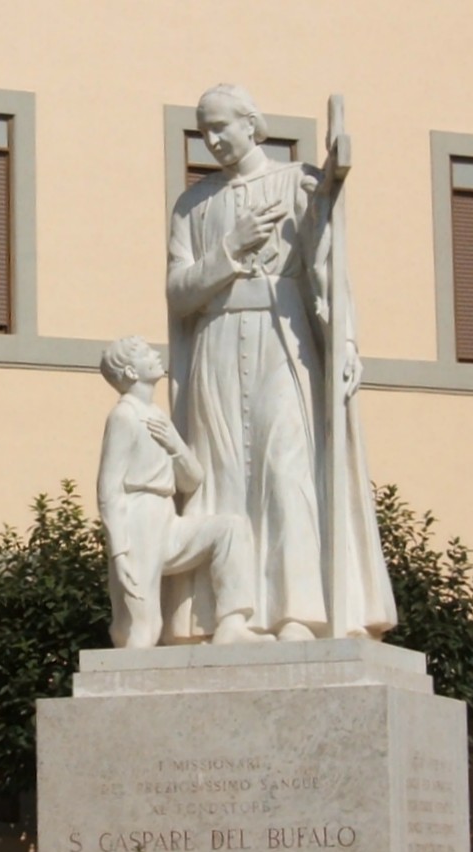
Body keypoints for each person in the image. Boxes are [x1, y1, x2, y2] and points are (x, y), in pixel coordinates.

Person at [163, 83, 396, 642]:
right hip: (216, 347)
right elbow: (178, 292)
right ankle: (229, 616)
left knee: (286, 471)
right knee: (222, 483)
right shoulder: (193, 205)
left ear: (252, 123)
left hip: (283, 337)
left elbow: (327, 268)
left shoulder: (298, 183)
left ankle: (298, 613)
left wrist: (345, 344)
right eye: (204, 130)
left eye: (222, 126)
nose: (213, 139)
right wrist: (231, 249)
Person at [97, 335, 265, 649]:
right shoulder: (124, 416)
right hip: (138, 518)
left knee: (229, 529)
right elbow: (108, 490)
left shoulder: (157, 416)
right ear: (132, 372)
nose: (156, 355)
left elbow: (192, 479)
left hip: (165, 515)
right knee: (142, 629)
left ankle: (232, 623)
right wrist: (119, 550)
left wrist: (175, 447)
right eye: (146, 353)